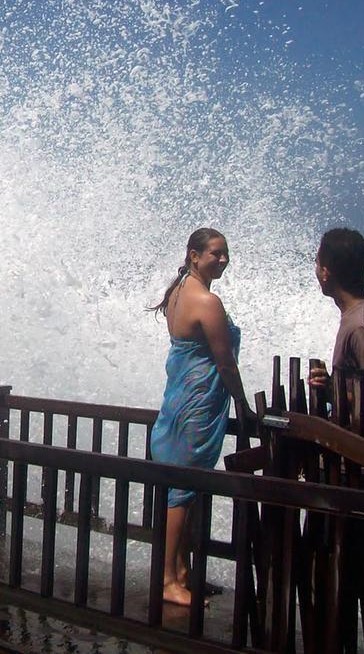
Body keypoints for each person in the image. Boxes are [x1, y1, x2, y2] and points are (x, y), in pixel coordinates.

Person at [149, 227, 252, 606]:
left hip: (179, 395)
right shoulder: (208, 301)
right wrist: (242, 404)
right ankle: (168, 581)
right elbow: (225, 362)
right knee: (183, 489)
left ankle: (182, 572)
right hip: (198, 402)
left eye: (226, 253)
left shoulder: (178, 292)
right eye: (215, 254)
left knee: (183, 489)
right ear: (194, 255)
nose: (223, 260)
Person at [308, 227, 364, 420]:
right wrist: (332, 385)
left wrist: (332, 394)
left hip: (362, 448)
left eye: (317, 263)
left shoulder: (361, 326)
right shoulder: (360, 315)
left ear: (325, 273)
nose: (315, 270)